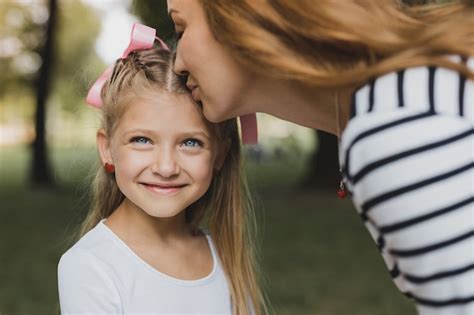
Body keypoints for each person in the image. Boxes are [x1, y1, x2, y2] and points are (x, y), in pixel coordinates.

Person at [166, 0, 474, 314]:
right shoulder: (416, 86)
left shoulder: (395, 127)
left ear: (243, 13)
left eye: (181, 28)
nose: (176, 64)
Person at [57, 23, 266, 315]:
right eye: (142, 140)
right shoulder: (91, 266)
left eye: (190, 143)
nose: (166, 167)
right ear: (108, 149)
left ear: (220, 153)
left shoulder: (225, 255)